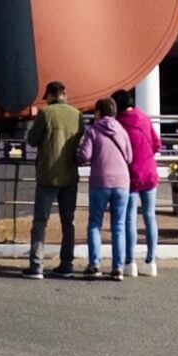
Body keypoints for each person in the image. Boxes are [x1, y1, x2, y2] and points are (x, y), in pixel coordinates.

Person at [23, 81, 82, 279]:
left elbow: (32, 140)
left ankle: (36, 265)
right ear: (65, 93)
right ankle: (67, 264)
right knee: (68, 222)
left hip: (47, 174)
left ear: (49, 95)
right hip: (70, 175)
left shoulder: (45, 114)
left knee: (40, 221)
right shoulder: (77, 115)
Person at [77, 97, 135, 280]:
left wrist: (75, 155)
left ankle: (95, 264)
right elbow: (130, 157)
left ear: (99, 112)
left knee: (95, 223)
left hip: (100, 182)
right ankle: (118, 268)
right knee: (118, 226)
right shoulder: (122, 131)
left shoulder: (93, 131)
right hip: (122, 182)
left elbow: (84, 156)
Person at [115, 90, 163, 278]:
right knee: (150, 216)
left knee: (129, 219)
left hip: (130, 175)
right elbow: (157, 144)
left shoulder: (119, 122)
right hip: (149, 172)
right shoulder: (144, 118)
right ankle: (151, 261)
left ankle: (130, 261)